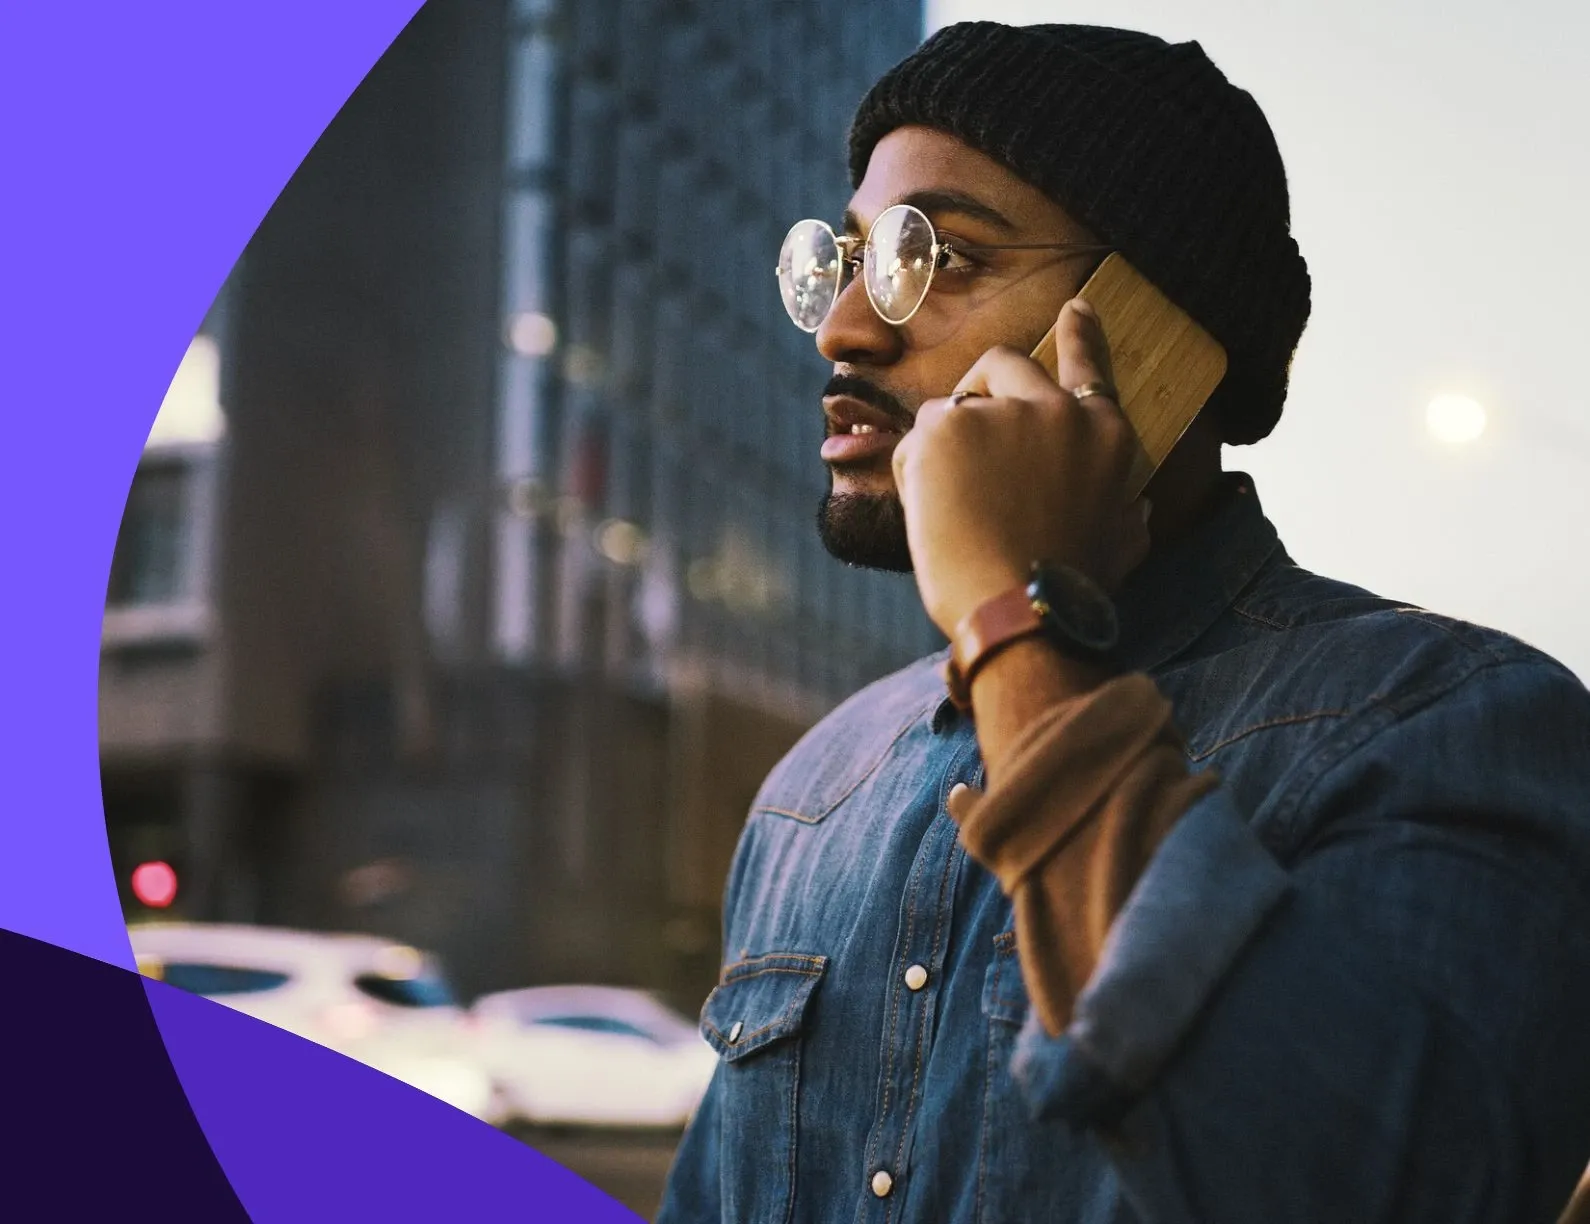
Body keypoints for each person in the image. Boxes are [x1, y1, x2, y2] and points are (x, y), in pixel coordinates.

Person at [656, 22, 1590, 1223]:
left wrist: (1017, 625)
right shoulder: (811, 790)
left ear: (1158, 336)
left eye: (931, 257)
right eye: (843, 260)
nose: (846, 327)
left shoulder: (1454, 727)